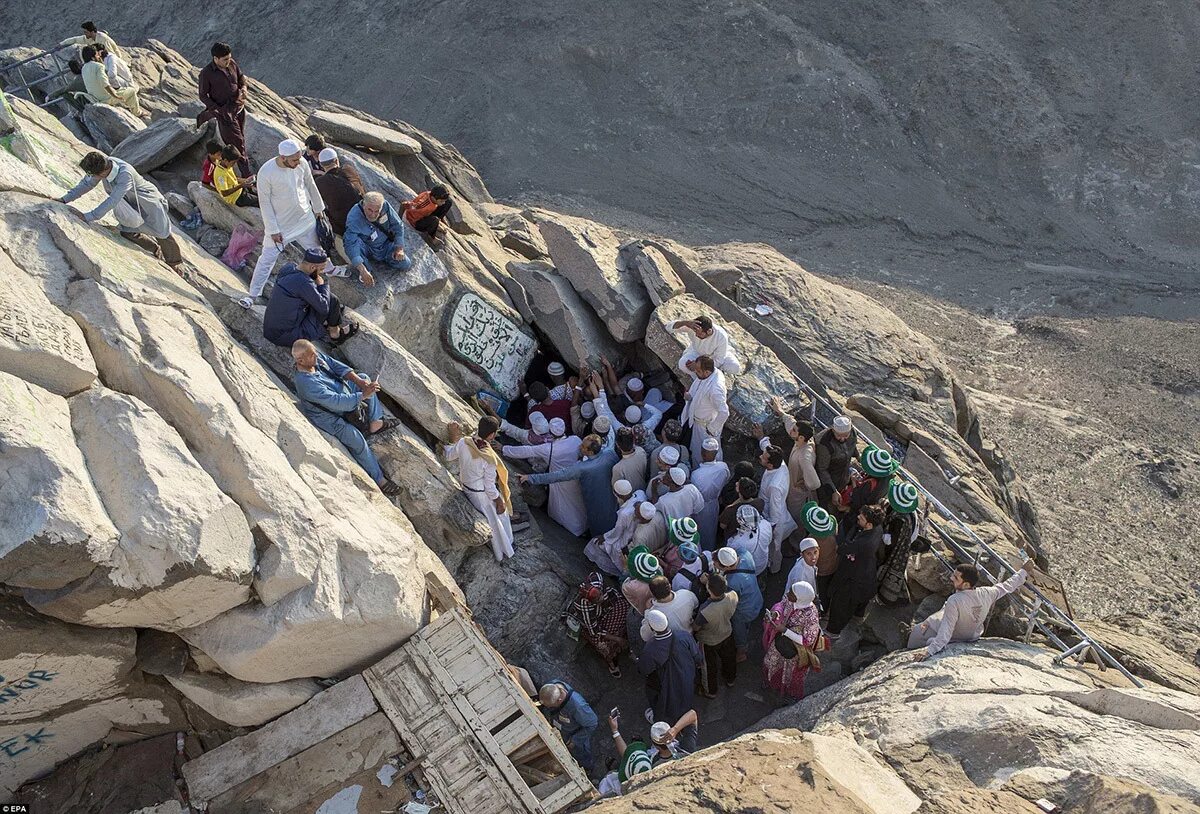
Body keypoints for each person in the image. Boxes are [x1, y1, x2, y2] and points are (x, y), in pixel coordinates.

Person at [243, 139, 345, 308]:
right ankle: (252, 295)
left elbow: (309, 184)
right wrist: (273, 229)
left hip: (305, 218)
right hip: (281, 226)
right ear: (283, 157)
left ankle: (330, 269)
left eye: (299, 158)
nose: (298, 162)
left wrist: (318, 209)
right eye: (294, 160)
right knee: (267, 259)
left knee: (317, 248)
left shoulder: (302, 162)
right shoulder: (266, 172)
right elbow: (265, 202)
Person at [291, 340, 400, 495]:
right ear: (300, 360)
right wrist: (363, 395)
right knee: (357, 440)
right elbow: (336, 403)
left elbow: (336, 366)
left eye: (315, 352)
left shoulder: (314, 358)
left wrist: (360, 383)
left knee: (364, 377)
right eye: (312, 355)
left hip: (342, 393)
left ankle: (376, 422)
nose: (316, 356)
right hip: (330, 417)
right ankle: (380, 479)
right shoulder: (307, 383)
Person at [58, 151, 180, 266]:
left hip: (149, 202)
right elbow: (87, 184)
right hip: (129, 201)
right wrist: (64, 199)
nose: (92, 177)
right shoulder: (105, 164)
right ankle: (154, 248)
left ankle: (175, 263)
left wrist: (88, 217)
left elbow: (113, 200)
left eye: (93, 175)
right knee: (126, 230)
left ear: (103, 172)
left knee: (162, 232)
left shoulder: (125, 174)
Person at [909, 557, 1036, 660]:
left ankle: (907, 636)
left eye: (956, 577)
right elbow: (1008, 585)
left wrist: (928, 652)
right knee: (936, 617)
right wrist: (1023, 571)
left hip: (955, 637)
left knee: (919, 630)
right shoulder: (987, 592)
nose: (951, 578)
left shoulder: (955, 600)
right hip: (973, 636)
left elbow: (945, 632)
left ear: (966, 584)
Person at [445, 416, 515, 562]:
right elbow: (489, 487)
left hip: (467, 488)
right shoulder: (489, 458)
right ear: (492, 435)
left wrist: (453, 437)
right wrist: (499, 501)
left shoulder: (465, 442)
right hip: (481, 496)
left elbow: (449, 455)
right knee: (499, 519)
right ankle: (506, 548)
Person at [522, 434, 618, 536]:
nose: (579, 447)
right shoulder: (610, 453)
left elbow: (557, 476)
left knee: (600, 533)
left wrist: (530, 478)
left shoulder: (582, 468)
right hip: (612, 499)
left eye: (583, 446)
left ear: (590, 452)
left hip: (595, 503)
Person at [503, 418, 585, 536]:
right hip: (575, 477)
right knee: (577, 502)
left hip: (557, 480)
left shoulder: (549, 448)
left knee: (562, 506)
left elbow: (526, 451)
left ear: (550, 433)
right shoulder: (575, 440)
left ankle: (571, 531)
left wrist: (504, 449)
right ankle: (581, 528)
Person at [263, 248, 358, 348]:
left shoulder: (289, 268)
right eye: (321, 269)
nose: (321, 273)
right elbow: (324, 307)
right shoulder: (303, 282)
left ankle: (331, 320)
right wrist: (322, 285)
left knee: (325, 299)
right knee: (332, 301)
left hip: (271, 330)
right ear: (312, 267)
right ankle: (336, 334)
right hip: (288, 335)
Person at [826, 505, 886, 638]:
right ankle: (856, 617)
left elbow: (842, 549)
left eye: (862, 517)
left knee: (840, 604)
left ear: (869, 524)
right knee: (856, 601)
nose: (859, 517)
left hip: (853, 577)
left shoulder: (863, 543)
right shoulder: (877, 529)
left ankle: (833, 631)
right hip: (866, 571)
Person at [637, 610, 702, 729]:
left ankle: (660, 719)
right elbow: (696, 655)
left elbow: (644, 669)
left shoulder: (650, 648)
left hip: (667, 681)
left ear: (652, 627)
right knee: (685, 695)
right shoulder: (684, 635)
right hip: (687, 673)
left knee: (664, 701)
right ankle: (684, 717)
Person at [761, 581, 822, 701]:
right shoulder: (790, 598)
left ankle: (788, 694)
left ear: (800, 598)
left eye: (791, 593)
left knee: (789, 673)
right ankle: (770, 682)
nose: (788, 594)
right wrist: (776, 613)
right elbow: (782, 604)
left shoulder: (812, 616)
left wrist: (785, 630)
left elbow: (807, 641)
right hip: (780, 642)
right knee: (771, 661)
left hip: (795, 650)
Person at [197, 42, 250, 176]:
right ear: (216, 58)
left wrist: (243, 88)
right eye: (225, 59)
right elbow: (203, 95)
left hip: (239, 108)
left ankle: (242, 169)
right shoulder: (206, 73)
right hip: (225, 114)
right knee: (237, 144)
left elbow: (241, 77)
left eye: (229, 58)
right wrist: (217, 110)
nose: (228, 61)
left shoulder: (231, 63)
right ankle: (247, 176)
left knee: (241, 140)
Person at [768, 397, 821, 529]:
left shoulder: (805, 456)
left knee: (795, 517)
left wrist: (803, 484)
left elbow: (814, 483)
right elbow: (791, 423)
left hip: (797, 493)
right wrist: (780, 412)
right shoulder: (802, 440)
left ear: (801, 437)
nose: (791, 431)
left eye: (794, 431)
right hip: (791, 483)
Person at [343, 192, 413, 286]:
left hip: (385, 244)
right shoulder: (354, 217)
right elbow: (350, 244)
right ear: (364, 205)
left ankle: (387, 257)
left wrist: (399, 248)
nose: (373, 215)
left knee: (405, 264)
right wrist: (362, 269)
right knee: (354, 243)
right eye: (370, 210)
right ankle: (365, 268)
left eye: (377, 211)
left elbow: (397, 225)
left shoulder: (385, 206)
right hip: (367, 247)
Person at [584, 479, 645, 576]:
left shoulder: (624, 513)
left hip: (626, 537)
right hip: (634, 533)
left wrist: (604, 537)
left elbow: (617, 531)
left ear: (618, 495)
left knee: (597, 544)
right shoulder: (640, 494)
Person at [693, 572, 738, 697]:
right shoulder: (733, 596)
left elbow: (696, 627)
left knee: (709, 667)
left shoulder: (705, 610)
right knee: (729, 658)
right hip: (727, 633)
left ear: (708, 589)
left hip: (709, 641)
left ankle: (711, 691)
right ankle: (730, 679)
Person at [539, 682, 598, 775]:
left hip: (573, 736)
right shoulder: (551, 687)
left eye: (550, 706)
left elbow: (592, 724)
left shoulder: (578, 707)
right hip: (561, 728)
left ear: (559, 700)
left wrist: (575, 740)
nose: (548, 708)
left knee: (581, 753)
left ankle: (587, 768)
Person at [715, 546, 763, 661]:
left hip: (744, 611)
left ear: (726, 567)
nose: (714, 563)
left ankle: (741, 651)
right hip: (756, 598)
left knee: (739, 630)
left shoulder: (732, 582)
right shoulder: (745, 554)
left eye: (716, 563)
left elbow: (727, 600)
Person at [877, 481, 921, 606]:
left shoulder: (899, 520)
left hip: (896, 550)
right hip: (907, 543)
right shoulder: (911, 513)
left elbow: (891, 541)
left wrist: (879, 532)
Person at [839, 447, 897, 538]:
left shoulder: (869, 484)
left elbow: (857, 500)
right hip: (870, 511)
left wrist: (854, 482)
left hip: (859, 514)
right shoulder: (887, 479)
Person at [680, 355, 729, 465]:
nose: (695, 372)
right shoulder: (708, 376)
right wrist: (690, 398)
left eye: (698, 370)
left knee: (704, 454)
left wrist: (711, 428)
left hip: (706, 428)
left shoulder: (715, 388)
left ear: (707, 372)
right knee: (696, 450)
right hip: (697, 424)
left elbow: (724, 412)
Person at [758, 442, 797, 573]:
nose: (760, 457)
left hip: (773, 516)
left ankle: (774, 569)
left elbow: (775, 511)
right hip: (774, 508)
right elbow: (767, 446)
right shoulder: (780, 464)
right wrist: (761, 438)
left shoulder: (775, 486)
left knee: (774, 547)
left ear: (769, 464)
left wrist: (770, 527)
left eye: (763, 457)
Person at [690, 437, 730, 551]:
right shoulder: (723, 467)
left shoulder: (696, 475)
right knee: (711, 530)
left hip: (700, 508)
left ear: (702, 453)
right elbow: (725, 481)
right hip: (714, 503)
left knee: (700, 531)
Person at [313, 148, 364, 235]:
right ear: (336, 161)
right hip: (363, 216)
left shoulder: (320, 182)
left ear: (321, 165)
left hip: (343, 226)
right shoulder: (349, 170)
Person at [622, 546, 662, 656]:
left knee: (636, 633)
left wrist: (626, 568)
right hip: (656, 609)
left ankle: (637, 654)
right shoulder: (659, 572)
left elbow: (624, 586)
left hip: (639, 612)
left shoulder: (633, 586)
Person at [80, 45, 140, 116]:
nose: (99, 56)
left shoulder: (83, 68)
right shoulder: (99, 66)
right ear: (93, 57)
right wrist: (115, 96)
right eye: (97, 55)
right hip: (106, 99)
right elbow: (105, 83)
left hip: (95, 98)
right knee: (131, 91)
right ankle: (137, 113)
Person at [672, 315, 742, 376]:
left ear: (708, 331)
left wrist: (699, 365)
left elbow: (719, 360)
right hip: (697, 352)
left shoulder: (721, 336)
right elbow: (669, 327)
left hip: (716, 356)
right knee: (682, 364)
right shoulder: (694, 327)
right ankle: (699, 378)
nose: (696, 335)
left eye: (700, 334)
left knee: (735, 367)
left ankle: (714, 372)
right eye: (696, 333)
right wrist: (685, 323)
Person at [815, 416, 858, 514]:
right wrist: (833, 491)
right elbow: (822, 469)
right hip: (828, 483)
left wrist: (858, 457)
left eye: (845, 435)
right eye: (839, 435)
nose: (842, 439)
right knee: (825, 507)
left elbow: (852, 446)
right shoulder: (825, 444)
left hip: (844, 476)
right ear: (833, 430)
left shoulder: (853, 433)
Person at [604, 715, 653, 796]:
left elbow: (628, 756)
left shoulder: (613, 790)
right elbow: (628, 755)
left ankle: (616, 769)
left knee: (610, 775)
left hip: (615, 782)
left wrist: (614, 731)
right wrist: (615, 731)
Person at [639, 576, 698, 640]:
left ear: (652, 594)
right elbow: (696, 604)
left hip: (673, 646)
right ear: (670, 586)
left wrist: (648, 611)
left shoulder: (653, 615)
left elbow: (645, 637)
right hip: (691, 636)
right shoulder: (686, 594)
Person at [803, 502, 839, 606]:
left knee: (821, 592)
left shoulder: (811, 542)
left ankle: (822, 610)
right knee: (827, 589)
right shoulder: (830, 532)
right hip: (832, 566)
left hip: (821, 571)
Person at [726, 504, 772, 577]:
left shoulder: (737, 542)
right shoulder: (766, 524)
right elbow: (769, 540)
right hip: (763, 562)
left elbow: (732, 557)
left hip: (749, 570)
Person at [401, 184, 453, 249]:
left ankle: (437, 222)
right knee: (434, 220)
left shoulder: (432, 196)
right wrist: (398, 220)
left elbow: (443, 201)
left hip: (426, 213)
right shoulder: (421, 204)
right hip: (417, 221)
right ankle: (431, 237)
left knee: (448, 202)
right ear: (434, 198)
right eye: (441, 201)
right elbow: (404, 205)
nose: (443, 203)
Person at [717, 473, 763, 541]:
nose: (736, 483)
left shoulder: (730, 510)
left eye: (738, 484)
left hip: (733, 537)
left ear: (738, 490)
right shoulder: (759, 502)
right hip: (751, 536)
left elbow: (722, 526)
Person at [610, 427, 649, 494]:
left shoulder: (618, 468)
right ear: (633, 441)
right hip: (643, 490)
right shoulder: (641, 451)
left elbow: (617, 489)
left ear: (617, 445)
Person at [786, 537, 821, 605]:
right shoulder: (800, 575)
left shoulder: (806, 562)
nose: (813, 557)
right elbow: (799, 597)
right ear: (802, 555)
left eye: (815, 552)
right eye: (809, 554)